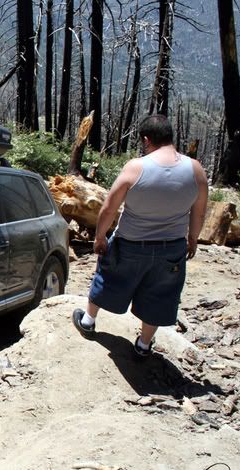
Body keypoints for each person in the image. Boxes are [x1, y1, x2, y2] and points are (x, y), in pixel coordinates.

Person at [72, 114, 208, 357]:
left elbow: (109, 207)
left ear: (146, 140)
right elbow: (198, 213)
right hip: (172, 246)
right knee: (160, 294)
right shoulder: (195, 170)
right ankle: (144, 345)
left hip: (131, 242)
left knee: (107, 276)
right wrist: (193, 238)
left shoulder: (137, 167)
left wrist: (100, 237)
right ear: (170, 136)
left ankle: (89, 322)